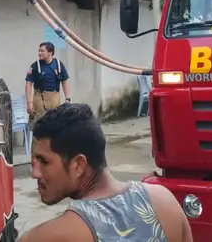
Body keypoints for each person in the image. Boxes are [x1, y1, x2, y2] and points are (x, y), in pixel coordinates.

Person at [21, 104, 192, 242]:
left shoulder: (49, 237)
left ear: (78, 165)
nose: (35, 173)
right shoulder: (165, 202)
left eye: (43, 161)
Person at [26, 42, 71, 125]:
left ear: (50, 52)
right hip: (39, 98)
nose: (39, 53)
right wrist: (29, 103)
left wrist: (67, 99)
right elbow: (28, 84)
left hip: (54, 98)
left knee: (54, 123)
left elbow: (64, 81)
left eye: (42, 51)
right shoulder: (35, 66)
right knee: (40, 124)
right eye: (39, 51)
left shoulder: (58, 65)